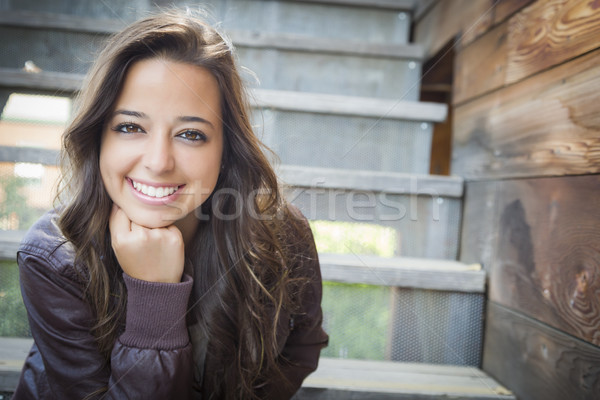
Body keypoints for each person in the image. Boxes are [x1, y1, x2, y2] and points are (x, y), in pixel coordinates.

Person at [13, 9, 328, 400]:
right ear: (98, 138)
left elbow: (300, 348)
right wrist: (154, 293)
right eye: (130, 127)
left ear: (227, 151)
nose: (159, 162)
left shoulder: (280, 234)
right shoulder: (55, 257)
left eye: (191, 134)